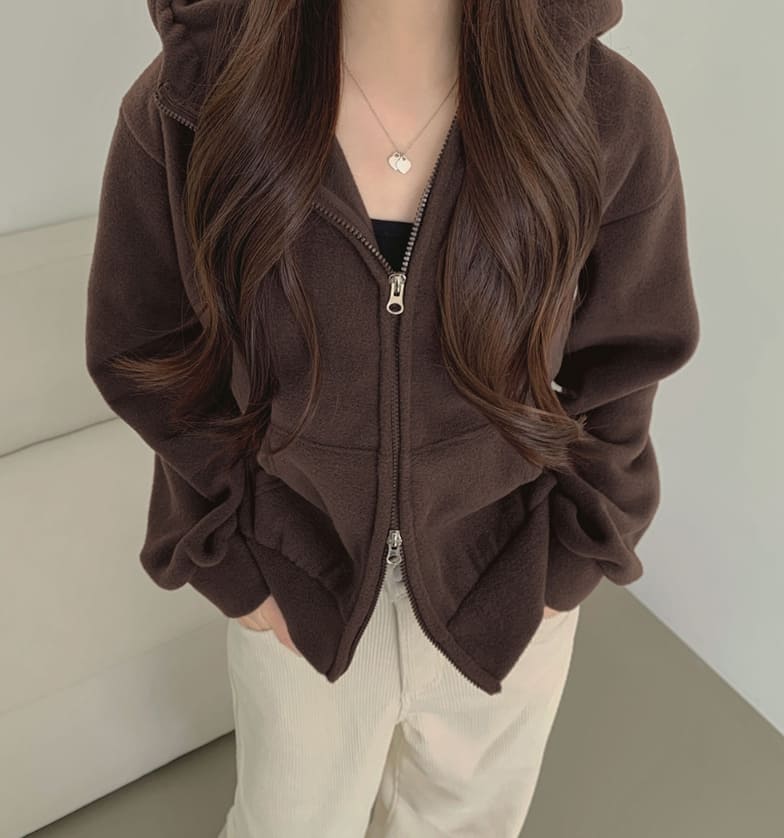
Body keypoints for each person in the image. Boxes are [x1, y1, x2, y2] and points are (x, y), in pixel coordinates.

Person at [84, 0, 701, 835]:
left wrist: (571, 560)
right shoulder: (189, 103)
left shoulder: (605, 111)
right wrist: (231, 563)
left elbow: (631, 353)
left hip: (510, 584)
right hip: (299, 591)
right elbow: (145, 351)